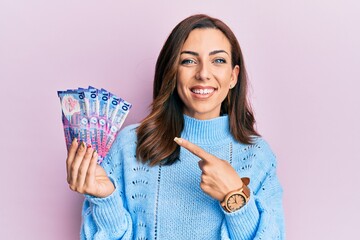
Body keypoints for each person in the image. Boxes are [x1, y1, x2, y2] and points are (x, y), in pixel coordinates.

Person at [66, 14, 285, 239]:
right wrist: (106, 200)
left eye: (218, 60)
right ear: (172, 71)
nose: (203, 73)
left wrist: (235, 198)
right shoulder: (131, 145)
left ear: (233, 76)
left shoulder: (258, 156)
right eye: (188, 60)